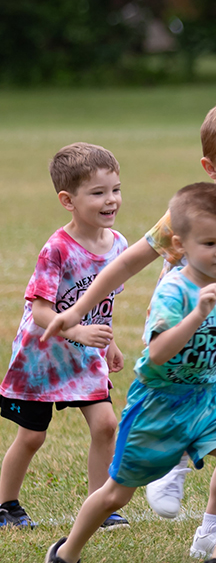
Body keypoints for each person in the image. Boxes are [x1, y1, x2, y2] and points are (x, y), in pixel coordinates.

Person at [42, 96, 216, 562]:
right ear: (211, 167)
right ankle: (177, 463)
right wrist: (78, 311)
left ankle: (211, 532)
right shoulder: (188, 214)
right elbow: (126, 263)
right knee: (168, 446)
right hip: (178, 344)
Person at [38, 183, 216, 563]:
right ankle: (66, 555)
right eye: (209, 243)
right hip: (159, 403)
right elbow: (159, 352)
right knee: (116, 494)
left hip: (208, 398)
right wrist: (197, 313)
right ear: (180, 244)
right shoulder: (176, 291)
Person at [0, 144, 127, 530]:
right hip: (40, 357)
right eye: (98, 193)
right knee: (32, 437)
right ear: (67, 200)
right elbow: (40, 311)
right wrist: (77, 330)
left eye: (116, 190)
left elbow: (102, 303)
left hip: (83, 353)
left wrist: (108, 342)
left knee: (106, 424)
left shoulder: (118, 245)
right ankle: (6, 505)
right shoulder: (57, 248)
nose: (111, 200)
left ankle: (100, 506)